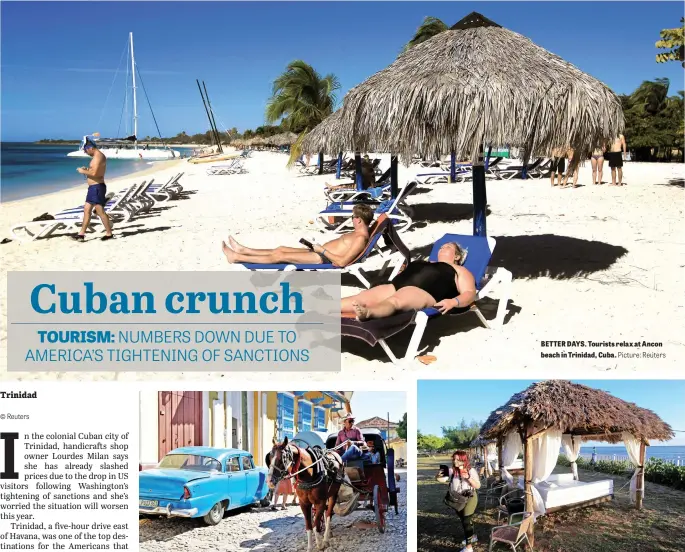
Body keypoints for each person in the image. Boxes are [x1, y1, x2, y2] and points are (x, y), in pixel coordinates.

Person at [341, 242, 476, 321]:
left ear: (457, 256)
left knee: (395, 302)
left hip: (424, 291)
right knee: (361, 297)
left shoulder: (459, 270)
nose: (442, 248)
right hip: (396, 285)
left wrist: (453, 302)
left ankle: (368, 313)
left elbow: (470, 293)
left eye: (447, 247)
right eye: (441, 246)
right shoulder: (427, 262)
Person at [221, 204, 374, 266]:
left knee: (280, 256)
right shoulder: (360, 233)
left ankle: (237, 257)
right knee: (280, 249)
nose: (351, 219)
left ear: (359, 220)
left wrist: (322, 251)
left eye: (352, 217)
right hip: (319, 251)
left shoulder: (360, 238)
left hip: (322, 257)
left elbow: (341, 262)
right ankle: (244, 250)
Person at [436, 450, 481, 552]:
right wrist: (438, 475)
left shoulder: (471, 470)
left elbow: (478, 486)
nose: (455, 461)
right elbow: (442, 480)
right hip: (457, 499)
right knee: (465, 520)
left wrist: (468, 477)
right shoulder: (452, 470)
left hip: (470, 498)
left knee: (466, 521)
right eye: (454, 459)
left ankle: (469, 548)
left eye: (458, 459)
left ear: (463, 460)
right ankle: (472, 537)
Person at [72, 137, 114, 241]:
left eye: (86, 150)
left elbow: (95, 174)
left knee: (100, 211)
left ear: (90, 148)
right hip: (93, 188)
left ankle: (109, 233)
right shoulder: (97, 156)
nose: (86, 153)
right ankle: (81, 234)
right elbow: (96, 171)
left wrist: (83, 171)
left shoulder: (97, 157)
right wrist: (88, 170)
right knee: (86, 210)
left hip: (97, 188)